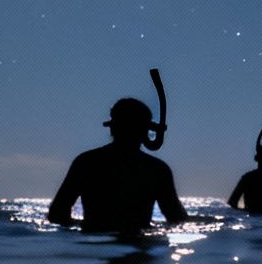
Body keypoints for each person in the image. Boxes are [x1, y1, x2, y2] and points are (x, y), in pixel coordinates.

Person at [49, 98, 188, 233]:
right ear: (145, 131)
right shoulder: (157, 170)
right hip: (140, 247)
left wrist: (87, 228)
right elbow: (176, 218)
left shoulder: (87, 162)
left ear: (112, 128)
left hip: (94, 248)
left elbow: (57, 214)